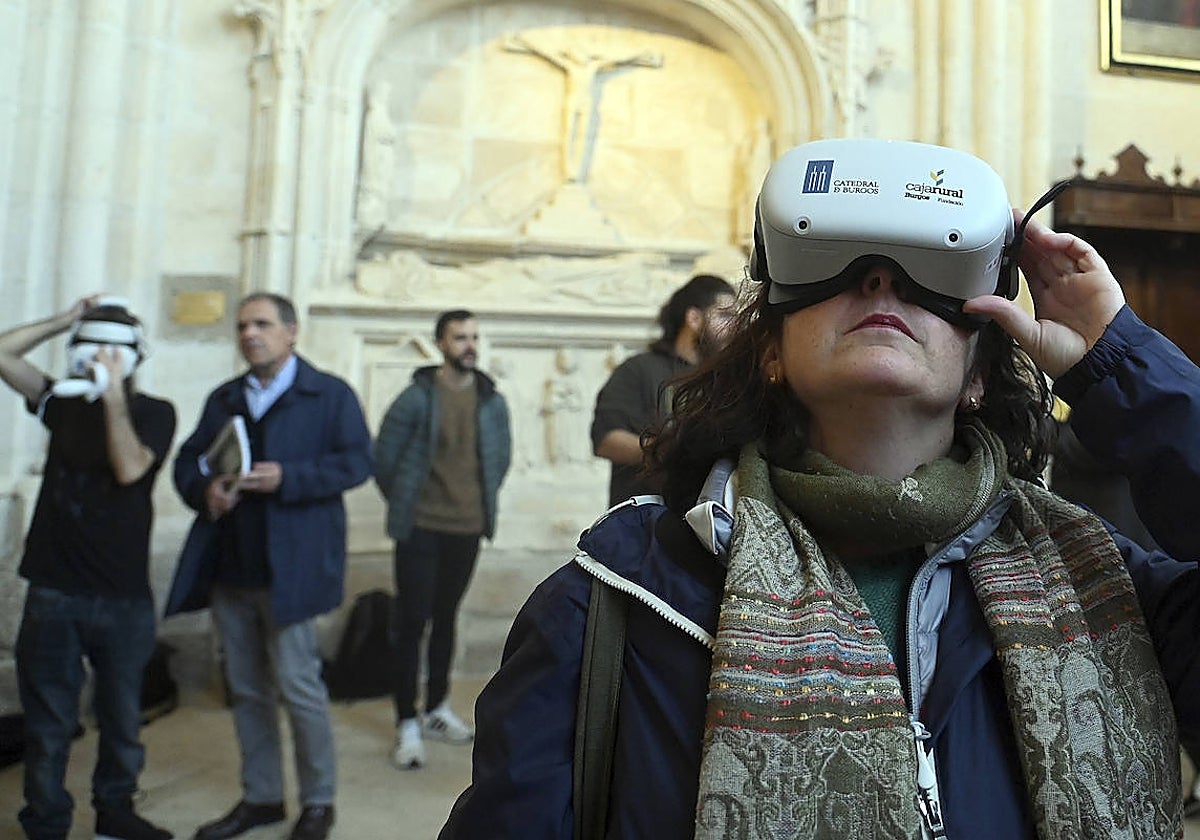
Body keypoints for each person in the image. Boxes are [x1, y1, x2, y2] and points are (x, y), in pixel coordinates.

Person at [440, 138, 1200, 838]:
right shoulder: (613, 601)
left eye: (927, 271)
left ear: (977, 377)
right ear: (769, 353)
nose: (879, 280)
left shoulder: (1108, 587)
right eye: (835, 261)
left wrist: (1118, 362)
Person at [165, 293, 371, 840]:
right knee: (248, 689)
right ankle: (261, 797)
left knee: (300, 687)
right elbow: (189, 463)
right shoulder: (225, 398)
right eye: (241, 326)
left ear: (291, 332)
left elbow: (356, 463)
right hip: (231, 568)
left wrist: (291, 478)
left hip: (294, 572)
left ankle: (319, 802)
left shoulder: (329, 394)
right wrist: (205, 490)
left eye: (261, 324)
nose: (249, 334)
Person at [0, 297, 176, 840]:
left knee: (123, 720)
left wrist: (114, 394)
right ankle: (46, 823)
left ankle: (115, 816)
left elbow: (129, 469)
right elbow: (2, 354)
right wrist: (63, 320)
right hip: (54, 589)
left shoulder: (155, 414)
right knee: (49, 723)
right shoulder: (60, 404)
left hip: (122, 596)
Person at [373, 310, 512, 770]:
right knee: (412, 622)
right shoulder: (417, 397)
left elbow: (500, 458)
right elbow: (385, 459)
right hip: (420, 527)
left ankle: (435, 708)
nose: (469, 345)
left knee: (447, 617)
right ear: (440, 343)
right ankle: (405, 720)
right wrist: (407, 504)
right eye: (460, 337)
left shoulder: (491, 399)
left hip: (467, 527)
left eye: (474, 336)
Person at [591, 274, 736, 506]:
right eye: (725, 315)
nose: (735, 326)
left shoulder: (728, 379)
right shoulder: (638, 369)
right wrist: (670, 451)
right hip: (643, 523)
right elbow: (607, 440)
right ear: (694, 318)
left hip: (709, 522)